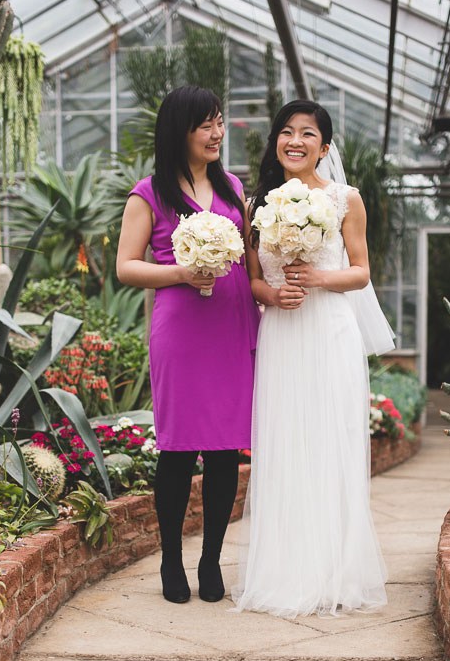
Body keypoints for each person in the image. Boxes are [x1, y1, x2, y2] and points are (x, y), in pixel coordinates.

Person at [232, 99, 393, 618]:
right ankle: (285, 572)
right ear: (276, 141)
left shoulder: (346, 198)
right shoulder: (258, 203)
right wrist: (272, 295)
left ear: (324, 147)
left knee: (330, 443)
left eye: (307, 133)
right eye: (285, 131)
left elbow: (361, 272)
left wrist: (319, 278)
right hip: (283, 331)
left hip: (330, 330)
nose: (294, 141)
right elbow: (255, 278)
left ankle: (336, 572)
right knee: (284, 445)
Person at [117, 86, 260, 604]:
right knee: (177, 452)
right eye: (206, 124)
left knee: (225, 452)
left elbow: (249, 260)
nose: (217, 133)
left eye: (220, 122)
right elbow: (125, 267)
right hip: (180, 329)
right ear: (180, 131)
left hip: (229, 325)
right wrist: (181, 271)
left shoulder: (233, 187)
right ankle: (171, 560)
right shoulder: (148, 193)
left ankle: (211, 560)